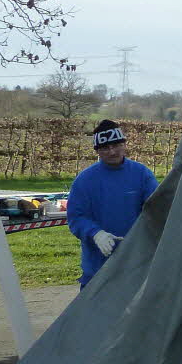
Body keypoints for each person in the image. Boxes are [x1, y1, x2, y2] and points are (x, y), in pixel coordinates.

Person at [66, 120, 159, 288]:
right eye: (104, 148)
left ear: (124, 144)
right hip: (97, 266)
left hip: (136, 262)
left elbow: (158, 208)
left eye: (116, 145)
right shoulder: (85, 180)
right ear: (97, 151)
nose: (112, 151)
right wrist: (95, 234)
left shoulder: (142, 174)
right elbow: (76, 217)